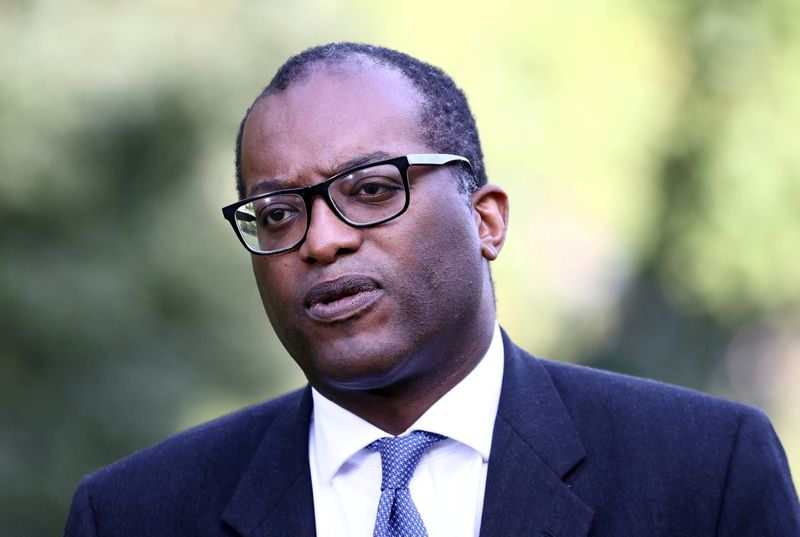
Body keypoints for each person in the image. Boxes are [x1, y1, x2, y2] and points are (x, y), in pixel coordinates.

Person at [64, 42, 800, 537]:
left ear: (486, 220)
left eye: (373, 188)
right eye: (280, 212)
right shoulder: (134, 513)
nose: (322, 240)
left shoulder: (705, 473)